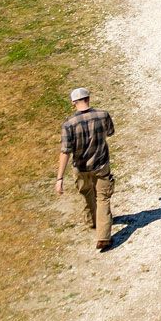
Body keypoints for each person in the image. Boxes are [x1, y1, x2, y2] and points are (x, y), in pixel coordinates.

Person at [55, 86, 116, 252]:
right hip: (101, 164)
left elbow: (65, 152)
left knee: (87, 193)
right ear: (88, 99)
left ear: (73, 103)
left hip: (81, 168)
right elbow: (110, 132)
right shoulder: (103, 115)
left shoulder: (68, 124)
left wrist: (59, 178)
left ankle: (93, 221)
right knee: (103, 198)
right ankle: (103, 237)